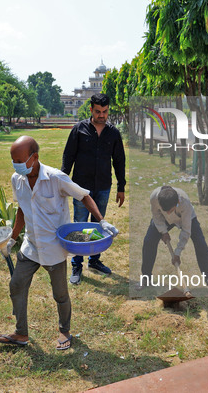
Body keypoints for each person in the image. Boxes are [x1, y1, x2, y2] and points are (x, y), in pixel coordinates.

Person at [0, 136, 118, 349]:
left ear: (35, 158)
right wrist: (13, 239)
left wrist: (102, 220)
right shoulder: (18, 179)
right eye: (13, 160)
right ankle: (21, 334)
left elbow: (84, 196)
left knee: (60, 294)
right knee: (16, 285)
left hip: (54, 247)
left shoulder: (55, 178)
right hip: (31, 246)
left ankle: (65, 332)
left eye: (20, 160)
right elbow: (22, 210)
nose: (16, 165)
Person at [61, 93, 126, 284]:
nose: (101, 115)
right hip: (81, 188)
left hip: (103, 187)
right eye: (98, 111)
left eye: (105, 112)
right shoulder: (79, 130)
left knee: (98, 225)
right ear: (91, 110)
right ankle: (76, 265)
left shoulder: (113, 133)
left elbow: (119, 162)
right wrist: (63, 183)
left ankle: (94, 261)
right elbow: (68, 157)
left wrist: (121, 187)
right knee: (80, 224)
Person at [140, 186, 208, 298]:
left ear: (177, 202)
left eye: (170, 210)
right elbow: (156, 215)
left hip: (186, 218)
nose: (168, 213)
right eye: (166, 211)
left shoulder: (184, 202)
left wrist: (177, 252)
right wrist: (163, 231)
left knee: (202, 247)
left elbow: (186, 231)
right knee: (149, 241)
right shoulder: (154, 197)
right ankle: (146, 278)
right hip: (162, 220)